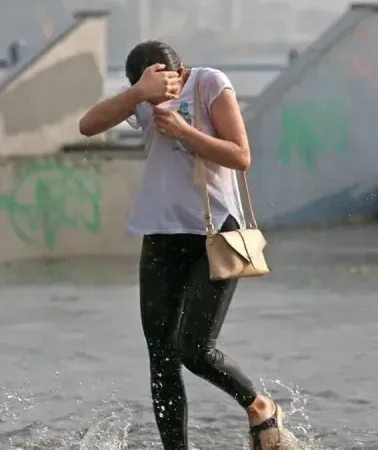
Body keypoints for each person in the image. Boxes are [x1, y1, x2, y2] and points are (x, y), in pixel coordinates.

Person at [78, 41, 283, 450]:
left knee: (195, 348)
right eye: (156, 84)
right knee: (161, 355)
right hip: (160, 233)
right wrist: (139, 94)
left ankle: (260, 406)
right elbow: (87, 126)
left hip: (215, 233)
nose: (167, 90)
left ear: (182, 70)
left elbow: (241, 156)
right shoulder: (141, 97)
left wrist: (186, 132)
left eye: (172, 80)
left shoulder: (209, 84)